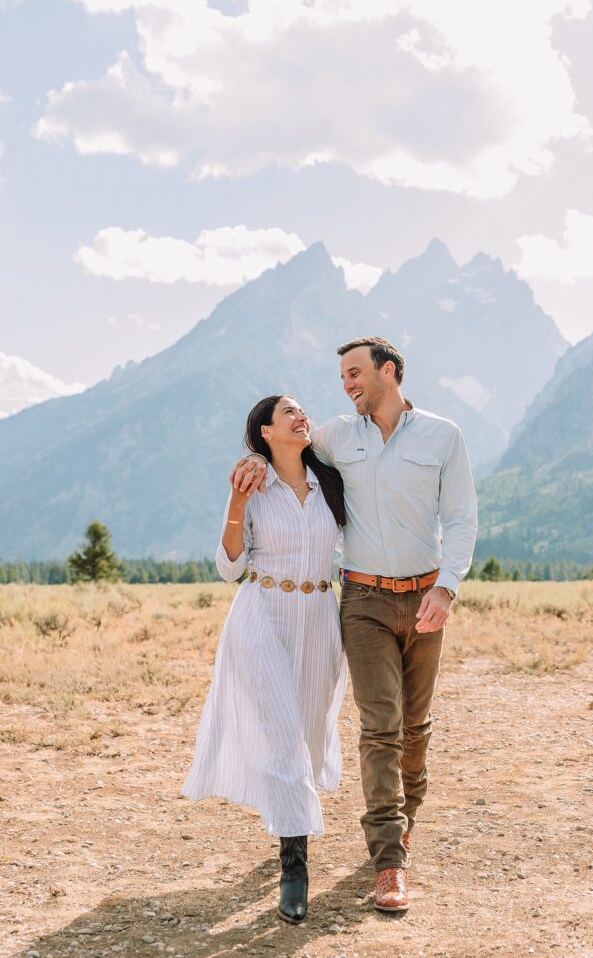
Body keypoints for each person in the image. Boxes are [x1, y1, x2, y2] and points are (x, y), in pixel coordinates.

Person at [232, 337, 478, 912]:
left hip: (426, 598)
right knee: (380, 727)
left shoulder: (444, 436)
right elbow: (281, 446)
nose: (346, 385)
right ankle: (388, 861)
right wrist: (252, 460)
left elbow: (462, 517)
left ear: (388, 372)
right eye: (343, 377)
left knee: (416, 727)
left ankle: (404, 821)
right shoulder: (338, 435)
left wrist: (447, 587)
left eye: (355, 374)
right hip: (362, 599)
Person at [182, 394, 347, 924]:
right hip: (262, 616)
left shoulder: (333, 482)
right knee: (282, 734)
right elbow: (229, 568)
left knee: (311, 731)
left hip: (321, 618)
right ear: (265, 434)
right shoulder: (251, 487)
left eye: (303, 410)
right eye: (288, 414)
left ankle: (288, 819)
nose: (302, 417)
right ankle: (294, 868)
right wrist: (235, 506)